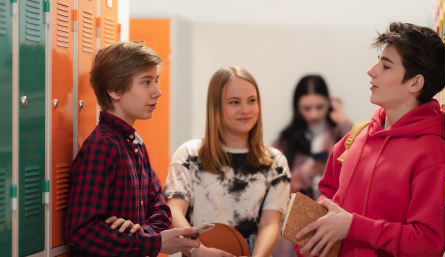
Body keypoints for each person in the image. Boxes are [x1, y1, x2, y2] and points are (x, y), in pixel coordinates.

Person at [294, 21, 445, 257]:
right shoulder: (357, 135)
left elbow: (428, 242)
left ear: (415, 83)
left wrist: (354, 227)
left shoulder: (431, 152)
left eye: (386, 66)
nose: (372, 71)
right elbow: (327, 192)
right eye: (379, 61)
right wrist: (315, 230)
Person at [64, 41, 200, 256]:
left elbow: (160, 208)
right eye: (146, 82)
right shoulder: (102, 147)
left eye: (156, 81)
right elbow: (81, 231)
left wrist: (141, 235)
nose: (157, 92)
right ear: (114, 90)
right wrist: (151, 243)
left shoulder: (135, 142)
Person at [163, 66, 291, 257]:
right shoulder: (189, 155)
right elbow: (173, 210)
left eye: (252, 101)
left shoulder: (275, 162)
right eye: (234, 102)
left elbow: (270, 223)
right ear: (215, 106)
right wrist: (198, 251)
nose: (245, 110)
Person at [274, 75, 352, 200]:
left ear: (329, 103)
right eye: (307, 108)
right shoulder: (286, 140)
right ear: (297, 107)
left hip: (337, 212)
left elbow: (361, 163)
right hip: (300, 215)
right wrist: (303, 174)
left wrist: (343, 122)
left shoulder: (341, 132)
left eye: (319, 107)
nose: (313, 114)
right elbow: (273, 191)